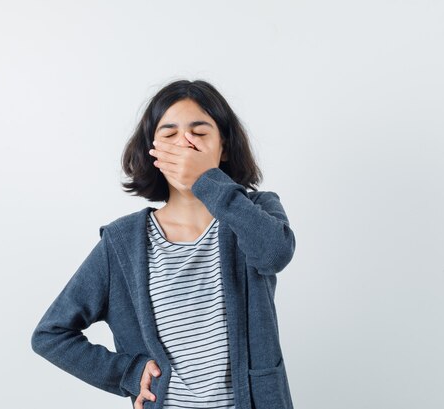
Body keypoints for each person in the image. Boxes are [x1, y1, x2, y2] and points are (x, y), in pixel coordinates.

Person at [31, 79, 296, 409]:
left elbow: (274, 253)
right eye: (169, 136)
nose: (184, 145)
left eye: (199, 133)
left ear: (223, 146)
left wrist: (206, 181)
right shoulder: (122, 242)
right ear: (152, 151)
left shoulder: (254, 211)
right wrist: (127, 372)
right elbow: (51, 334)